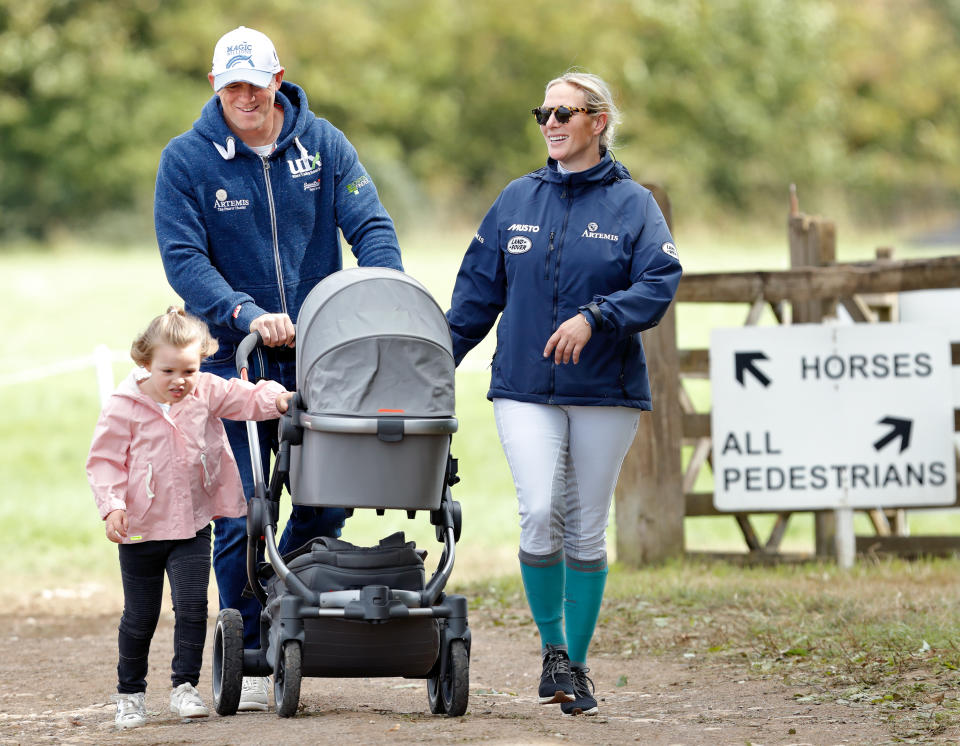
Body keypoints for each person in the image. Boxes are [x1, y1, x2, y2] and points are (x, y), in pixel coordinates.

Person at [154, 26, 403, 710]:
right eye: (231, 86)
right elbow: (184, 258)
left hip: (325, 356)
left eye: (255, 85)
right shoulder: (186, 161)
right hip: (233, 358)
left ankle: (282, 601)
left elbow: (371, 226)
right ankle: (253, 652)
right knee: (240, 510)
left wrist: (383, 294)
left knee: (329, 497)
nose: (244, 98)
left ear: (278, 79)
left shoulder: (323, 145)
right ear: (215, 86)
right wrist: (241, 310)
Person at [446, 72, 682, 716]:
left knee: (585, 526)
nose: (549, 122)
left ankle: (577, 664)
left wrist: (597, 316)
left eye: (563, 112)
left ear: (597, 121)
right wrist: (434, 359)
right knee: (539, 509)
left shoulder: (634, 205)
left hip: (606, 390)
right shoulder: (516, 199)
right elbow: (473, 297)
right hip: (524, 387)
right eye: (542, 112)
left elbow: (660, 281)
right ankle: (552, 651)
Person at [86, 308, 293, 729]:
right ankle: (130, 693)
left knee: (193, 609)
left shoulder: (205, 392)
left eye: (190, 369)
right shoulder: (124, 406)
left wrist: (278, 399)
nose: (180, 380)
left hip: (192, 526)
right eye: (168, 371)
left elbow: (243, 396)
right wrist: (112, 506)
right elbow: (104, 461)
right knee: (140, 616)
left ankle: (185, 687)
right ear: (145, 363)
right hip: (141, 531)